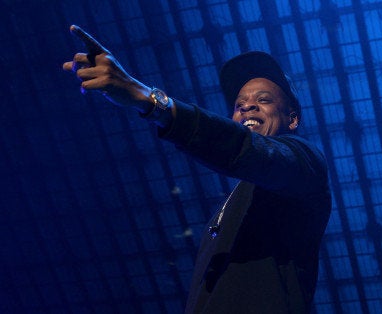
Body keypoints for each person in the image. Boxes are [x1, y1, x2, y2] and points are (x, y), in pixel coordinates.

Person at [63, 25, 331, 313]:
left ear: (292, 119)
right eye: (240, 104)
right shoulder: (230, 206)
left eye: (263, 100)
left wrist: (146, 98)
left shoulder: (305, 162)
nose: (248, 107)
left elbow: (244, 149)